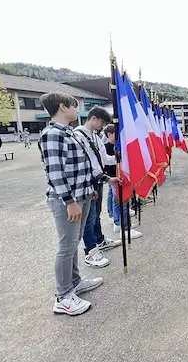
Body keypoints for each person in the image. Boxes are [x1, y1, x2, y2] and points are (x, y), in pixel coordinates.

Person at [38, 92, 104, 316]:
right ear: (62, 107)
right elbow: (55, 173)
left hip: (82, 195)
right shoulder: (52, 134)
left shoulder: (69, 133)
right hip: (68, 200)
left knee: (74, 242)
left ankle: (75, 282)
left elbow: (81, 166)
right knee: (66, 246)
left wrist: (91, 188)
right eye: (74, 106)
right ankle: (63, 296)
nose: (78, 110)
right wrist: (69, 201)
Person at [75, 107, 122, 268]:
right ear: (93, 118)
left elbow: (104, 159)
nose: (102, 127)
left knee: (96, 214)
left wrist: (119, 157)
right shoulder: (78, 136)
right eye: (101, 123)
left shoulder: (95, 137)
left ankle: (99, 240)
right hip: (89, 181)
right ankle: (90, 251)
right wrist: (105, 178)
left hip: (99, 179)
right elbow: (88, 164)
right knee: (88, 219)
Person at [103, 124, 142, 239]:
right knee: (121, 201)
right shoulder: (107, 147)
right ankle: (123, 226)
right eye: (116, 134)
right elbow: (108, 163)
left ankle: (118, 223)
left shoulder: (115, 146)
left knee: (117, 201)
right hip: (114, 177)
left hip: (115, 177)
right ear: (109, 134)